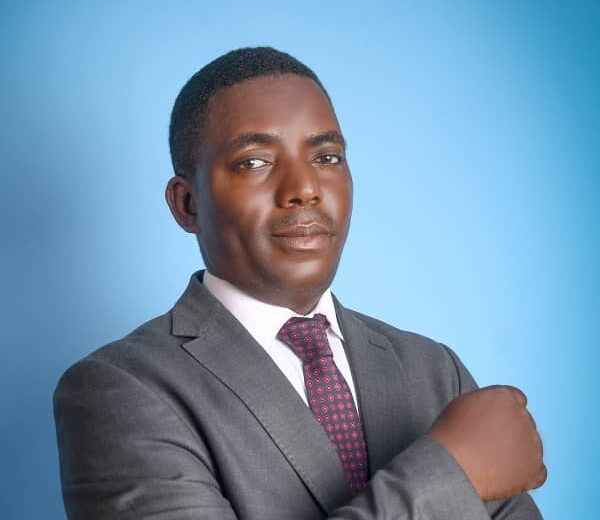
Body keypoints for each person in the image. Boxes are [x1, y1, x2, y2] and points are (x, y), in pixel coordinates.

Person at [53, 47, 546, 520]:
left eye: (327, 157)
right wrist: (451, 473)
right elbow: (449, 481)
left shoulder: (434, 369)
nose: (304, 188)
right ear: (188, 204)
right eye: (254, 162)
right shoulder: (121, 391)